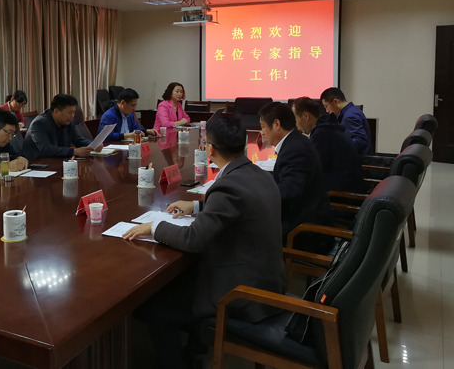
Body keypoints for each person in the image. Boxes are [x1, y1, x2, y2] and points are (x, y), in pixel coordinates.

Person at [123, 114, 284, 369]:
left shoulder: (228, 186)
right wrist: (198, 206)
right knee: (183, 282)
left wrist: (154, 227)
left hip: (241, 294)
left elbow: (193, 239)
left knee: (155, 309)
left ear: (209, 149)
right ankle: (195, 350)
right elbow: (237, 207)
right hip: (267, 280)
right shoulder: (258, 173)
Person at [259, 102, 331, 251]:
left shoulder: (294, 149)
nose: (262, 132)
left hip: (302, 232)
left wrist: (258, 195)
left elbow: (289, 192)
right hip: (303, 218)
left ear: (277, 124)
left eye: (263, 126)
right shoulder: (295, 141)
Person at [293, 97, 365, 194]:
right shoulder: (327, 126)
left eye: (295, 119)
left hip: (341, 194)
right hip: (346, 185)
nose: (296, 124)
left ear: (306, 116)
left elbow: (311, 168)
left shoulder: (322, 133)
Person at [22, 94, 102, 161]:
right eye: (69, 113)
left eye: (73, 112)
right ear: (56, 111)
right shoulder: (39, 124)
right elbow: (46, 149)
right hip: (38, 165)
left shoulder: (69, 122)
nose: (72, 116)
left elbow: (78, 139)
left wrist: (93, 145)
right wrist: (73, 151)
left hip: (59, 162)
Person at [320, 87, 372, 155]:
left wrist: (337, 145)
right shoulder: (351, 111)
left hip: (358, 159)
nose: (327, 111)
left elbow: (360, 141)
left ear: (335, 102)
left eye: (326, 106)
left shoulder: (349, 116)